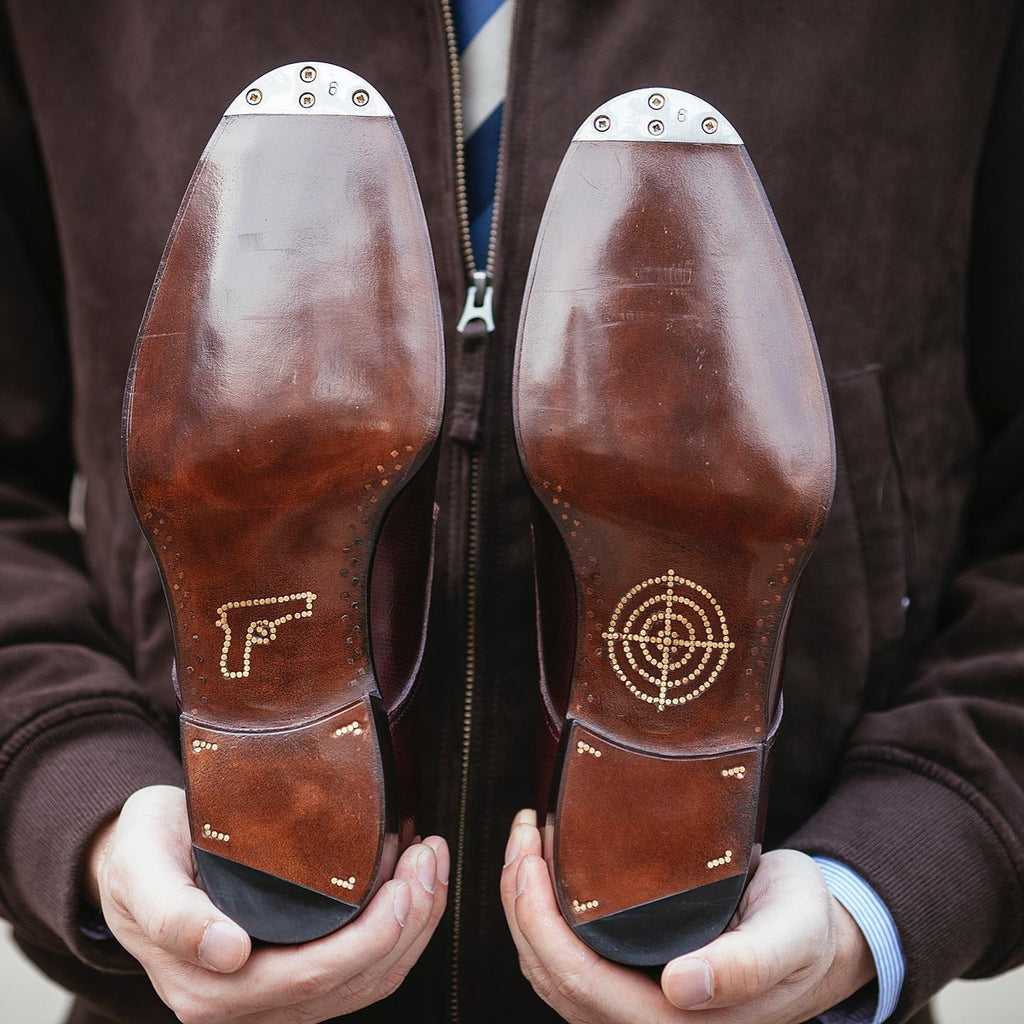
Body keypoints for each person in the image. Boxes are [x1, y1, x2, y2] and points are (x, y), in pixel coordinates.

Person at [1, 2, 1022, 1023]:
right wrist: (73, 795)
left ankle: (294, 781)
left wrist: (893, 875)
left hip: (787, 954)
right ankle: (648, 807)